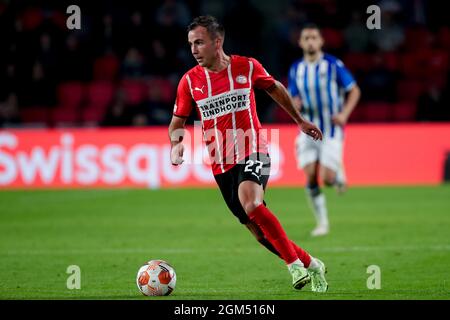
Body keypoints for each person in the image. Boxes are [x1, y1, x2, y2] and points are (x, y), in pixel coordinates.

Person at [168, 15, 328, 292]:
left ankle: (293, 266)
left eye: (200, 43)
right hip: (220, 164)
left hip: (253, 147)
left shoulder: (246, 66)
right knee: (258, 232)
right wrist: (176, 143)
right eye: (191, 43)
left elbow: (274, 88)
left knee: (251, 202)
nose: (194, 49)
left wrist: (299, 120)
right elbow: (177, 124)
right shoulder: (190, 82)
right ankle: (312, 263)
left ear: (217, 42)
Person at [288, 23, 361, 237]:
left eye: (314, 37)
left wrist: (344, 115)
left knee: (327, 179)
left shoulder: (332, 65)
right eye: (306, 38)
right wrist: (295, 104)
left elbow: (354, 90)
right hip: (308, 130)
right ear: (301, 43)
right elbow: (293, 97)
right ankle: (322, 223)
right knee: (310, 176)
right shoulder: (296, 69)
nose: (310, 41)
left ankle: (337, 175)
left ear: (321, 41)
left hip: (330, 131)